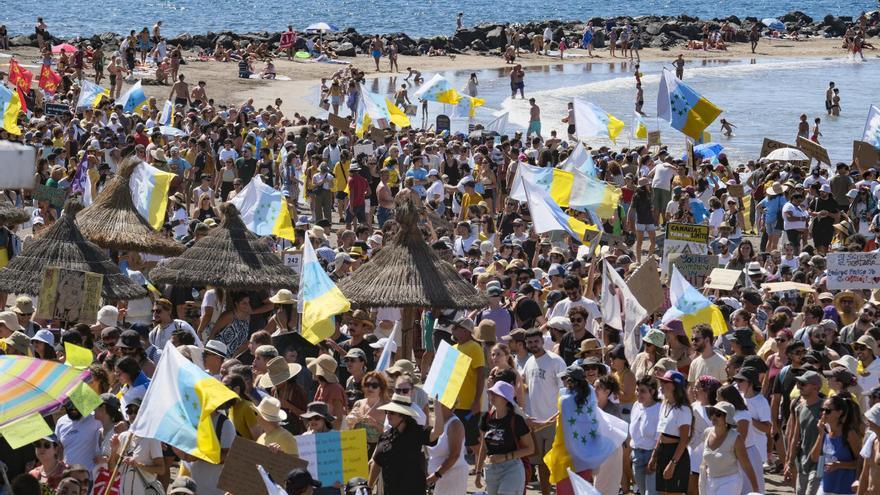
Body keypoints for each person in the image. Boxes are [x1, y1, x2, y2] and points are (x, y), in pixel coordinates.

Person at [474, 381, 534, 495]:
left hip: (512, 469)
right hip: (491, 470)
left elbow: (530, 449)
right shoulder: (486, 418)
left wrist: (504, 457)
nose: (492, 396)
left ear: (506, 399)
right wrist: (478, 472)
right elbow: (483, 446)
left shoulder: (516, 420)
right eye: (491, 393)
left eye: (497, 394)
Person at [370, 394, 431, 495]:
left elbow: (437, 433)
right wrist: (369, 487)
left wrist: (437, 406)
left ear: (403, 416)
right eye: (387, 412)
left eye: (392, 412)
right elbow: (376, 463)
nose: (388, 415)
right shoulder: (385, 436)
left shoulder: (417, 432)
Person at [700, 401, 760, 494]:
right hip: (709, 481)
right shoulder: (707, 432)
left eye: (718, 414)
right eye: (712, 412)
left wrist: (756, 489)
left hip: (730, 481)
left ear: (727, 418)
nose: (714, 417)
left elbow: (746, 464)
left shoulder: (735, 438)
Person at [649, 371, 691, 495]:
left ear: (675, 386)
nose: (661, 384)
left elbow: (684, 440)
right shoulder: (664, 405)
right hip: (663, 452)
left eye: (665, 382)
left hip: (676, 454)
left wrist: (673, 463)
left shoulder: (683, 409)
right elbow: (662, 434)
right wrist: (654, 455)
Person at [810, 394, 861, 495]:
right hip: (825, 486)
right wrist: (820, 435)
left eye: (828, 411)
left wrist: (839, 465)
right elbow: (814, 458)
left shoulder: (849, 433)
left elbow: (861, 462)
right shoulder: (824, 430)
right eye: (822, 410)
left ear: (839, 413)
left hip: (845, 489)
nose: (823, 413)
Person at [426, 399, 468, 495]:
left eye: (437, 401)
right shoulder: (436, 423)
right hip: (438, 480)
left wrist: (437, 474)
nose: (434, 403)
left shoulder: (455, 424)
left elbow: (455, 455)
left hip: (452, 478)